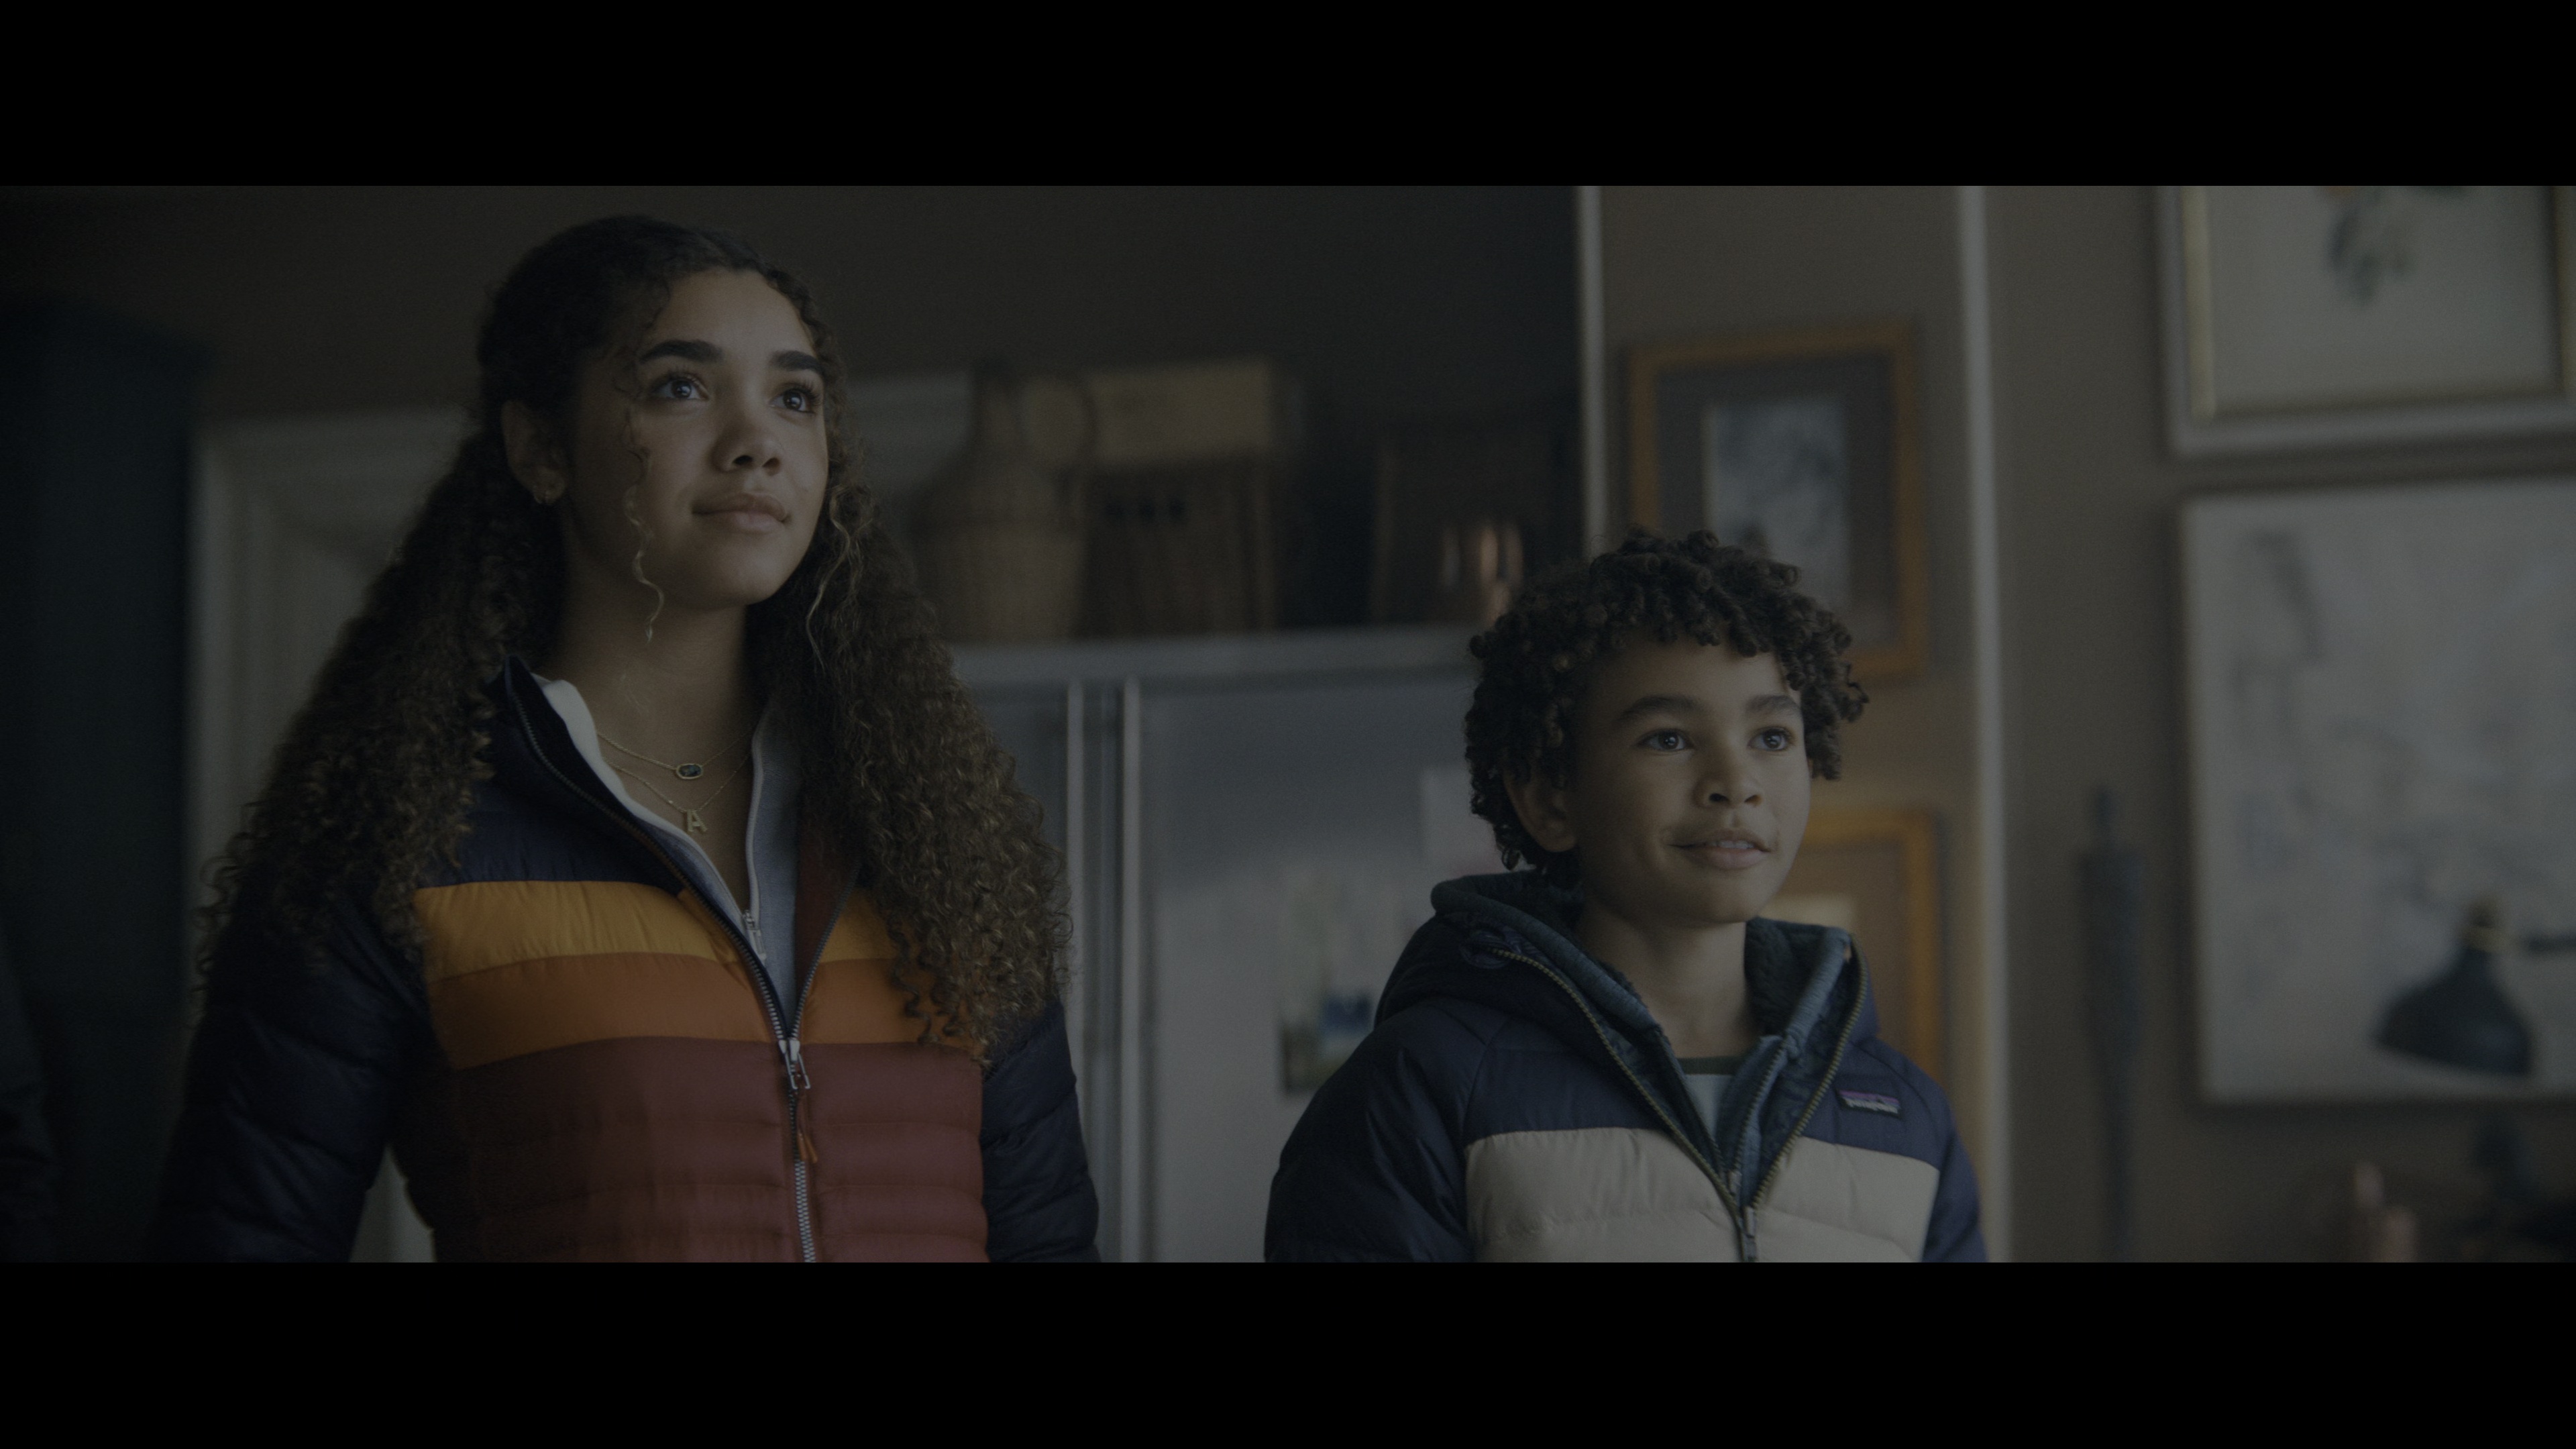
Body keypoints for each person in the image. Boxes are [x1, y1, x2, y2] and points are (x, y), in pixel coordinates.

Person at [153, 217, 1094, 1261]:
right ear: (542, 450)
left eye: (794, 398)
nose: (758, 441)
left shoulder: (941, 840)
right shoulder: (394, 844)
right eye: (680, 387)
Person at [1266, 531, 1982, 1261]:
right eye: (1669, 739)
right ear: (1550, 798)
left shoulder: (1907, 1119)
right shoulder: (1424, 1087)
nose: (1736, 782)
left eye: (1771, 737)